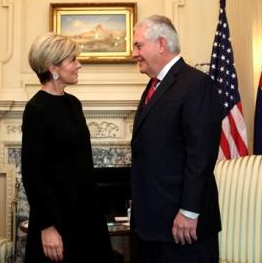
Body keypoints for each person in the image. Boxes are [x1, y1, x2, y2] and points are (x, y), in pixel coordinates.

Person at [130, 15, 222, 263]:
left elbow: (201, 154)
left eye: (138, 45)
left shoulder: (196, 84)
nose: (133, 53)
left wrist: (189, 211)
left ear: (161, 44)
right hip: (153, 226)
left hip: (182, 226)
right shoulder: (153, 85)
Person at [21, 33, 114, 263]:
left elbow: (82, 162)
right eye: (73, 60)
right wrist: (47, 226)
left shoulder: (73, 104)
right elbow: (33, 175)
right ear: (53, 68)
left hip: (86, 215)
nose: (79, 65)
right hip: (56, 221)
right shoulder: (36, 109)